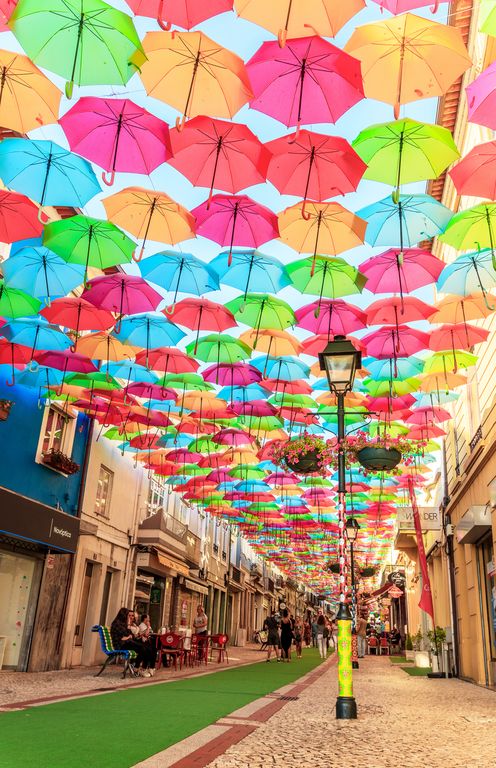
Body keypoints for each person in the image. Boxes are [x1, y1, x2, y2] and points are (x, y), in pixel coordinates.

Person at [110, 607, 156, 677]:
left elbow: (129, 635)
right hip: (120, 645)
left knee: (147, 647)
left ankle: (142, 668)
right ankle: (137, 668)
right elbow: (122, 637)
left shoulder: (123, 624)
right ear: (124, 615)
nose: (130, 617)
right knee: (143, 648)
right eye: (128, 615)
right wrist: (129, 636)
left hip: (127, 642)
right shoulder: (117, 623)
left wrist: (129, 636)